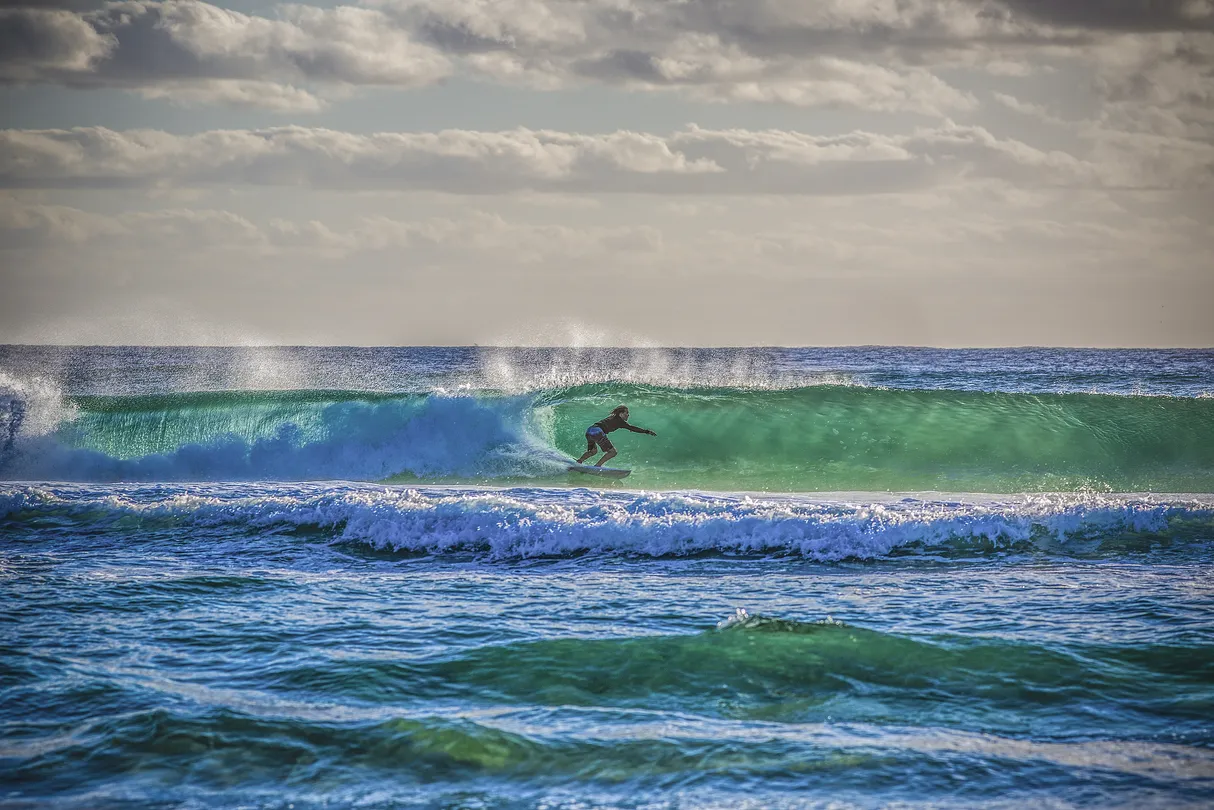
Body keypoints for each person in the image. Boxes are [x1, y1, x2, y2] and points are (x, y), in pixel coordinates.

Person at [577, 405, 656, 467]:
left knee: (593, 451)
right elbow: (632, 427)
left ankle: (579, 461)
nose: (628, 415)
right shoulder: (620, 421)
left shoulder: (613, 418)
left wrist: (630, 428)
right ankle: (597, 466)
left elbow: (630, 427)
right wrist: (647, 431)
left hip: (590, 430)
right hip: (598, 432)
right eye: (627, 413)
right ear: (621, 414)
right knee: (613, 452)